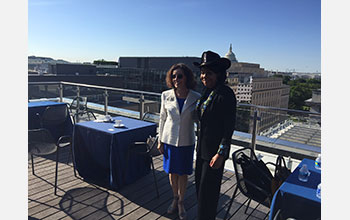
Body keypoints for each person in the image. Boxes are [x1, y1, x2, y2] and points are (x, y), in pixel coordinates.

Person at [193, 51, 237, 220]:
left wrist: (221, 153)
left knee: (208, 195)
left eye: (208, 73)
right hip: (202, 151)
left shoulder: (225, 94)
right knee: (200, 192)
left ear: (218, 74)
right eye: (202, 73)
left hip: (214, 153)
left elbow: (229, 128)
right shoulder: (206, 91)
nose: (204, 76)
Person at [158, 63, 201, 220]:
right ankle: (174, 198)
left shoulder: (196, 97)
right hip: (169, 139)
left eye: (180, 76)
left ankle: (182, 202)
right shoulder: (165, 95)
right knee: (172, 172)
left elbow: (199, 121)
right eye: (174, 76)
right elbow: (162, 119)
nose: (176, 79)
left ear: (187, 78)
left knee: (183, 173)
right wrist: (159, 140)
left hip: (186, 141)